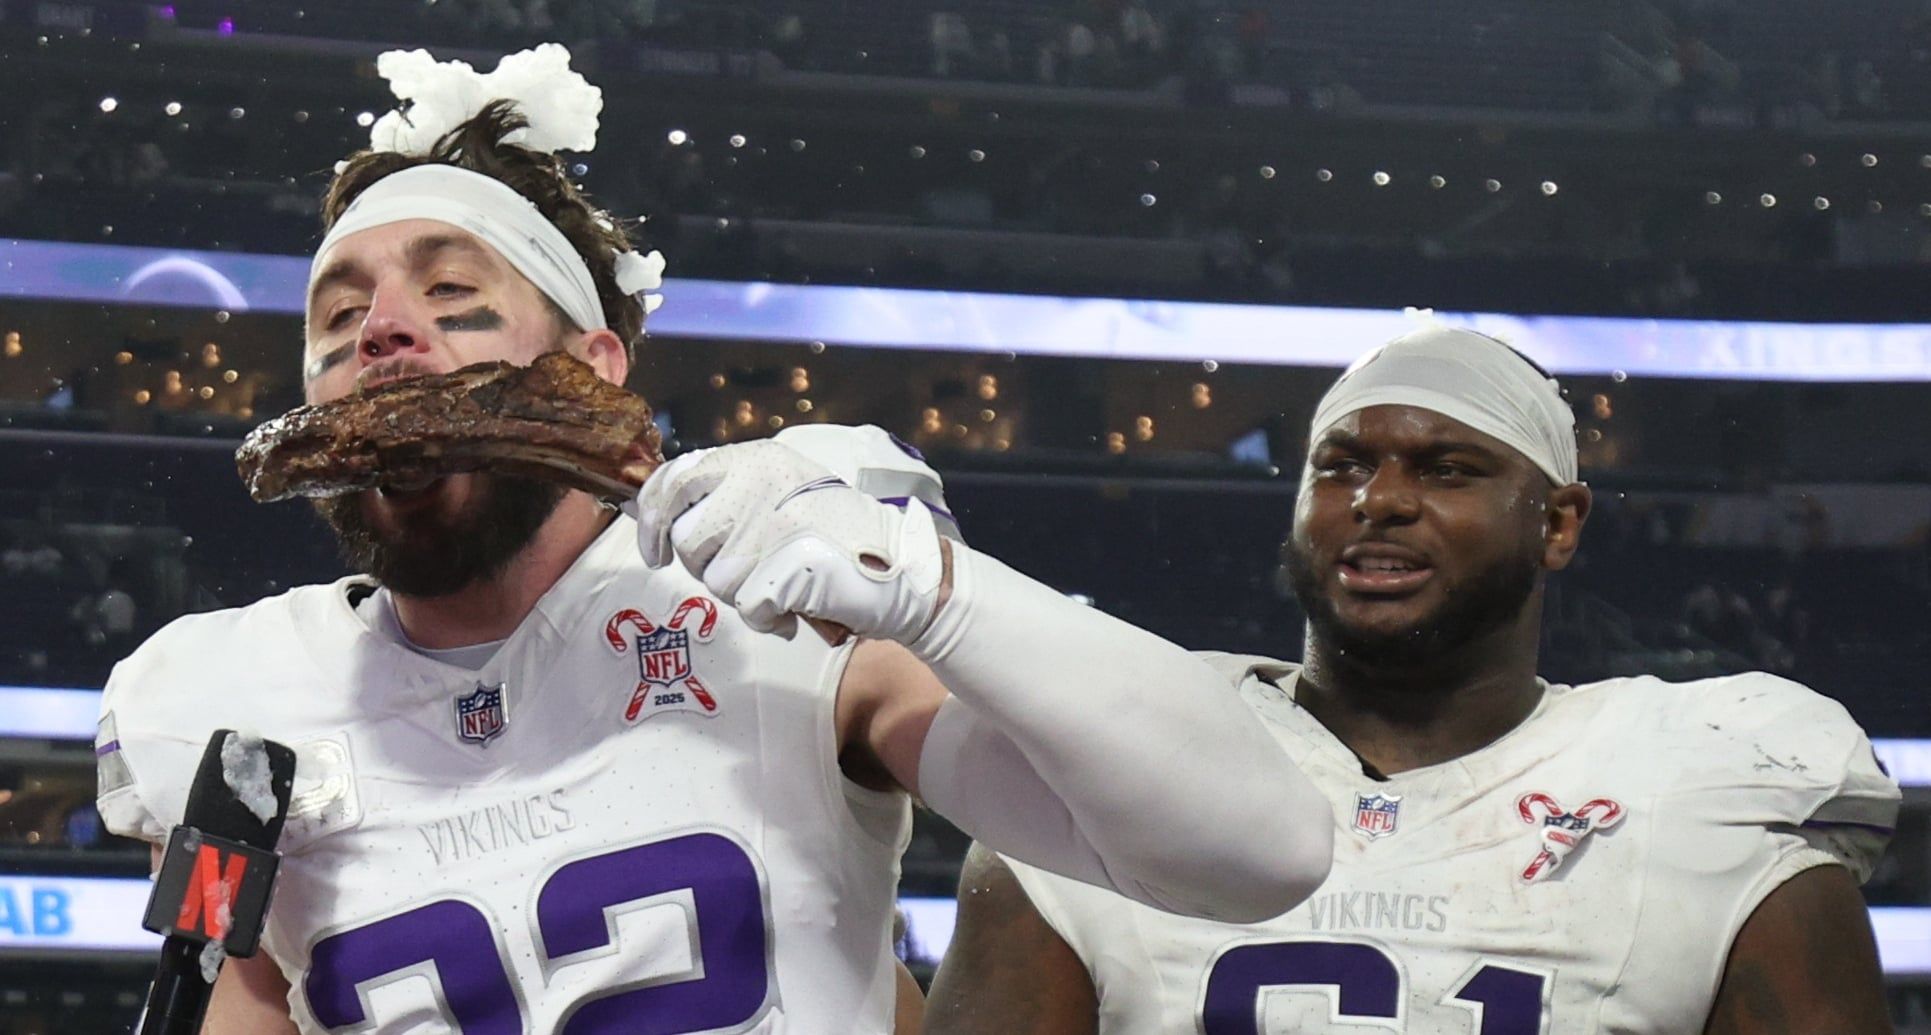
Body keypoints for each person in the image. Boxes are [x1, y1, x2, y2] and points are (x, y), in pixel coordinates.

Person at [93, 46, 1333, 1034]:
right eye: (340, 318)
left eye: (456, 299)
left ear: (591, 369)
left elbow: (1254, 853)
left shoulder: (763, 608)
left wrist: (935, 593)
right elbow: (237, 1006)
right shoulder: (230, 707)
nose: (383, 336)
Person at [927, 326, 1900, 1034]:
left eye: (1444, 470)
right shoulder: (1110, 751)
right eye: (1341, 465)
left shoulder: (1699, 783)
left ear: (1557, 522)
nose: (1380, 501)